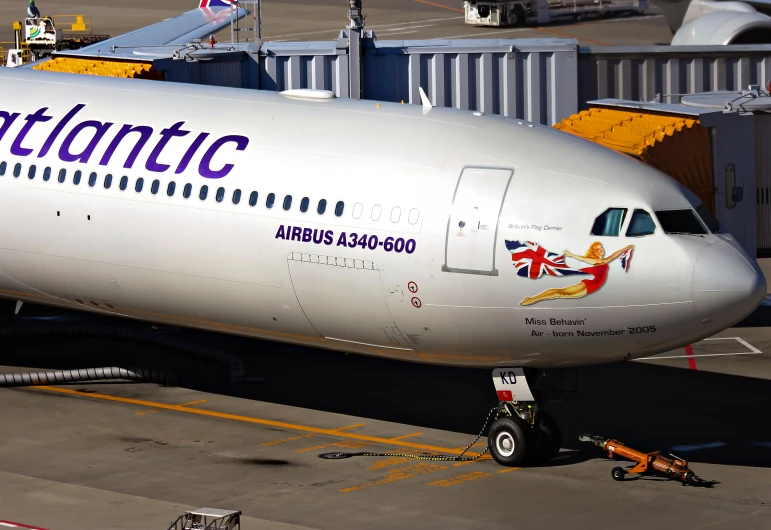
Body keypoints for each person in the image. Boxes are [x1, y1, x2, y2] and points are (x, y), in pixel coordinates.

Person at [520, 241, 633, 306]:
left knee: (561, 294)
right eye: (598, 249)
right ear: (594, 252)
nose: (601, 250)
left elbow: (614, 255)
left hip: (591, 288)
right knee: (559, 293)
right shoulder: (595, 261)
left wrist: (625, 248)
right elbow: (583, 258)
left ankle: (531, 299)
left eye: (601, 248)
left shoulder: (603, 260)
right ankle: (531, 299)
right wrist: (571, 255)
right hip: (589, 285)